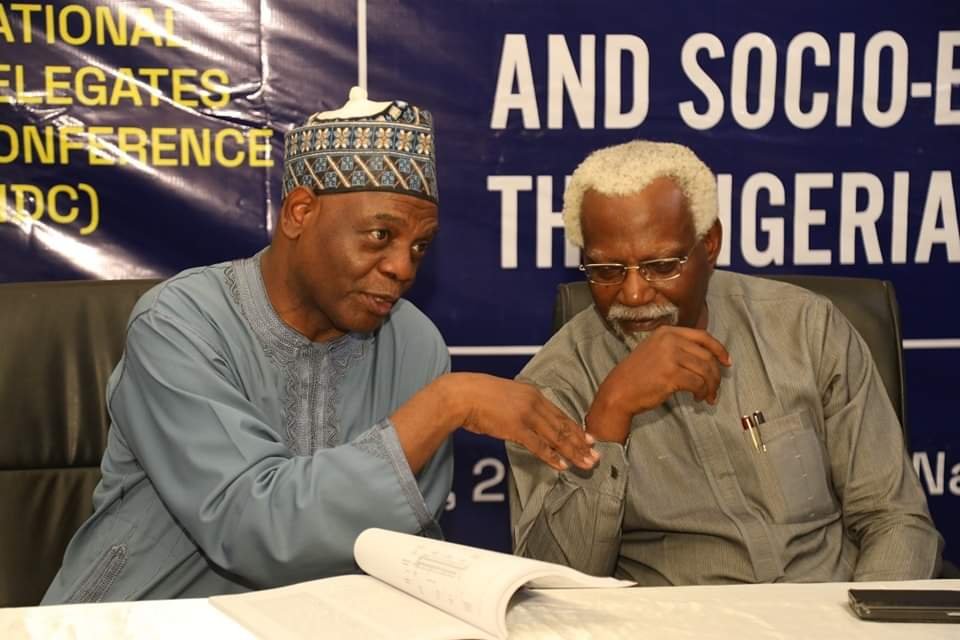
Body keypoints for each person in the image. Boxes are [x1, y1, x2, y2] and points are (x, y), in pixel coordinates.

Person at [43, 89, 597, 604]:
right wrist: (444, 406)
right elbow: (253, 529)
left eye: (420, 245)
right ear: (300, 213)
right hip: (145, 617)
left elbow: (403, 541)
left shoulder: (413, 341)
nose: (403, 267)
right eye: (380, 235)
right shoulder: (181, 322)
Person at [507, 139, 943, 585]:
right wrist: (607, 418)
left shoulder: (806, 329)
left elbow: (895, 521)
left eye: (660, 265)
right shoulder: (552, 384)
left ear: (709, 243)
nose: (634, 294)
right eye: (607, 271)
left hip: (830, 614)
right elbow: (556, 584)